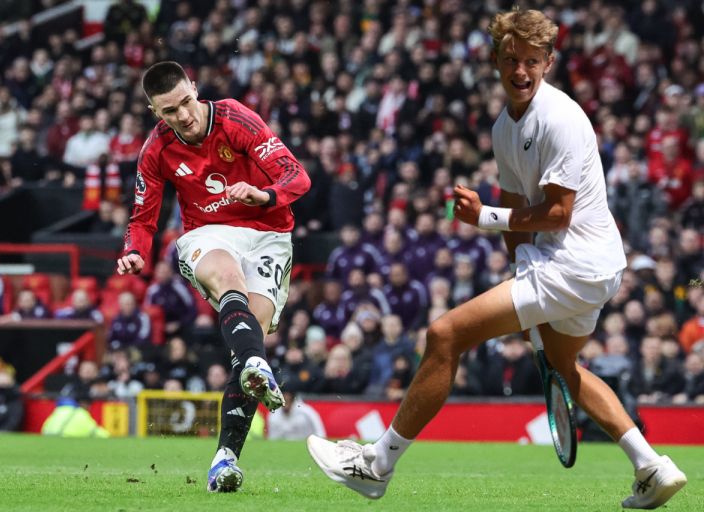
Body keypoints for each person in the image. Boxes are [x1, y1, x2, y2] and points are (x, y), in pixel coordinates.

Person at [307, 9, 687, 510]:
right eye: (511, 59)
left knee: (444, 335)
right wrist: (518, 274)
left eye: (531, 60)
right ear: (495, 60)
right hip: (570, 265)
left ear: (548, 62)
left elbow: (557, 215)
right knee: (564, 367)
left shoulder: (560, 117)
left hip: (576, 261)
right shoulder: (503, 128)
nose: (520, 70)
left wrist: (485, 217)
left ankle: (376, 465)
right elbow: (515, 206)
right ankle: (652, 467)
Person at [115, 61, 310, 493]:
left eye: (186, 102)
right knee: (227, 279)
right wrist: (134, 251)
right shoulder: (156, 149)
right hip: (209, 233)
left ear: (195, 88)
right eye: (170, 111)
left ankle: (224, 459)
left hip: (270, 233)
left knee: (250, 342)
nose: (183, 115)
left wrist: (265, 195)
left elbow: (297, 176)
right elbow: (142, 218)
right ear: (154, 111)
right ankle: (256, 363)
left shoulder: (236, 119)